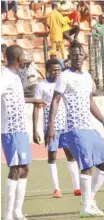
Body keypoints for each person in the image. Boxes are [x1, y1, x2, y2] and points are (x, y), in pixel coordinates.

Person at [46, 41, 104, 217]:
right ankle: (86, 206)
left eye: (80, 54)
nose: (77, 57)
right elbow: (55, 100)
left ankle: (89, 199)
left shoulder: (86, 76)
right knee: (86, 166)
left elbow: (90, 102)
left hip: (89, 127)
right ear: (69, 57)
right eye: (74, 54)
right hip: (74, 128)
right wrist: (51, 126)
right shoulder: (64, 76)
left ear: (84, 56)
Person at [1, 45, 45, 220]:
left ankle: (17, 211)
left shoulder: (15, 77)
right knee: (16, 169)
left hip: (20, 130)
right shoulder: (4, 77)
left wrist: (33, 100)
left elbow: (16, 97)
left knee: (25, 168)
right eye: (24, 55)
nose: (26, 58)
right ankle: (7, 215)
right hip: (10, 129)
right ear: (19, 58)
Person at [33, 59, 81, 198]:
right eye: (54, 70)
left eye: (58, 69)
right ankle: (56, 188)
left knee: (70, 154)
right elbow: (37, 108)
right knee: (52, 156)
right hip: (51, 128)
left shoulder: (64, 82)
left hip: (66, 126)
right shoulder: (41, 86)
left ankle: (77, 187)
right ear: (47, 70)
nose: (56, 72)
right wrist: (35, 129)